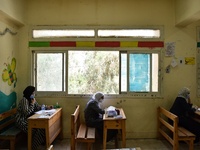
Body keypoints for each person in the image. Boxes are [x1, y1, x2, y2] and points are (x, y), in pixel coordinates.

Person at [15, 86, 45, 150]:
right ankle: (32, 147)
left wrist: (46, 107)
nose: (33, 94)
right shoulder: (24, 100)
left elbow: (37, 107)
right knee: (36, 129)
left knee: (41, 128)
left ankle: (35, 144)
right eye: (33, 93)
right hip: (21, 121)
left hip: (28, 120)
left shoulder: (32, 99)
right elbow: (26, 113)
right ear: (29, 93)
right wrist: (32, 104)